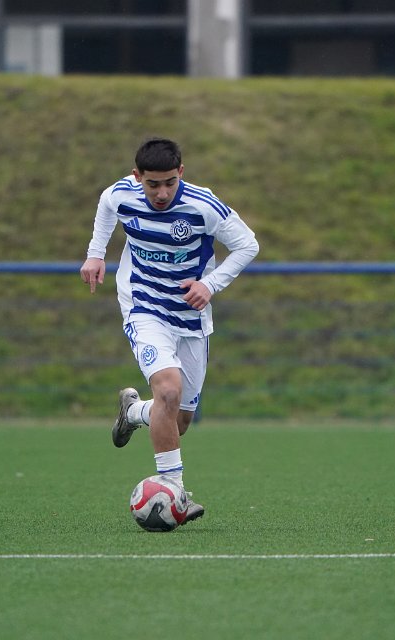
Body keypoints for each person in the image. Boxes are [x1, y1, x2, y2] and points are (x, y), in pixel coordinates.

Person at [80, 137, 259, 525]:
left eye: (169, 183)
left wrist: (210, 285)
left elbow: (248, 245)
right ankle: (175, 490)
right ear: (137, 177)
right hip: (144, 307)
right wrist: (96, 253)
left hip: (191, 317)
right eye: (152, 184)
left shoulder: (203, 205)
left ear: (181, 173)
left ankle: (133, 412)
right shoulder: (122, 194)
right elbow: (107, 204)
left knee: (177, 420)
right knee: (168, 391)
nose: (161, 193)